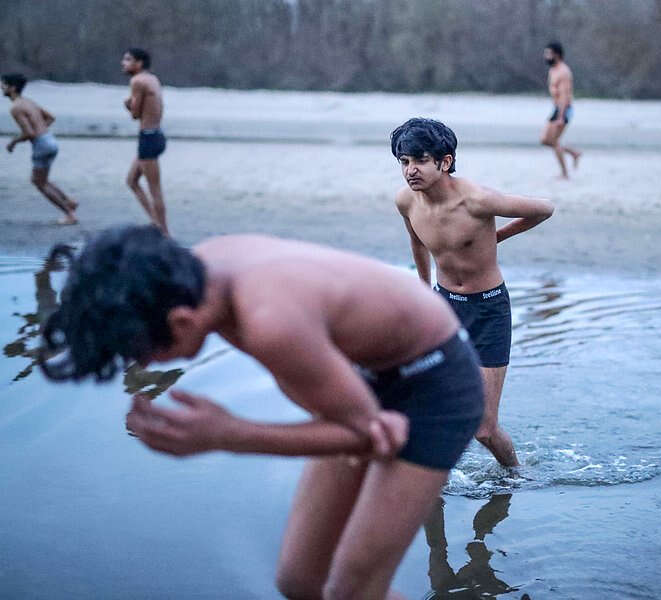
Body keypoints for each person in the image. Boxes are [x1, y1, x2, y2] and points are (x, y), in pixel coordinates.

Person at [37, 225, 484, 600]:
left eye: (141, 353)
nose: (145, 366)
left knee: (351, 592)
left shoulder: (269, 319)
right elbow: (356, 422)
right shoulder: (204, 271)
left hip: (438, 385)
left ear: (180, 322)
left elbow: (371, 437)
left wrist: (227, 433)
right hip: (370, 373)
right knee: (300, 582)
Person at [391, 118, 554, 468]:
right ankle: (430, 481)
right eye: (404, 161)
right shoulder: (406, 201)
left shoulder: (477, 200)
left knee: (484, 428)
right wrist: (424, 292)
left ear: (445, 162)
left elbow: (544, 209)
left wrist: (499, 236)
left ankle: (513, 475)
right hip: (445, 307)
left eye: (420, 160)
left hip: (488, 310)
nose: (410, 170)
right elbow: (416, 243)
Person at [2, 73, 78, 225]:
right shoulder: (28, 102)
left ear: (13, 88)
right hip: (50, 140)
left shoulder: (16, 108)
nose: (1, 88)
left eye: (4, 85)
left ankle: (69, 214)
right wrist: (41, 130)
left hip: (42, 145)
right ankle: (69, 201)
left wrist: (13, 143)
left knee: (39, 183)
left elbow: (29, 133)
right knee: (42, 180)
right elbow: (50, 118)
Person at [121, 48, 168, 234]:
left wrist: (128, 105)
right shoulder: (152, 78)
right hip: (156, 135)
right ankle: (155, 223)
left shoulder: (137, 81)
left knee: (155, 190)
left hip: (148, 137)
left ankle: (164, 233)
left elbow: (135, 114)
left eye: (127, 60)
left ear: (139, 63)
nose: (123, 63)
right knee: (132, 180)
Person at [540, 41, 581, 179]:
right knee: (545, 140)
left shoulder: (564, 72)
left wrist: (561, 117)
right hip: (556, 108)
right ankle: (573, 153)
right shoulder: (553, 70)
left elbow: (564, 95)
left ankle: (564, 173)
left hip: (564, 109)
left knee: (553, 140)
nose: (546, 56)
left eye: (548, 54)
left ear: (556, 55)